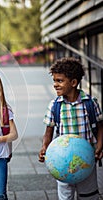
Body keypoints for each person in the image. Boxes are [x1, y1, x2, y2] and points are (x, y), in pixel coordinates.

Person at [38, 57, 103, 200]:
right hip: (62, 161)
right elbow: (48, 132)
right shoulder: (54, 105)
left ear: (73, 82)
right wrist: (44, 147)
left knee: (88, 195)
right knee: (65, 196)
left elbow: (100, 127)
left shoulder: (90, 103)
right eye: (54, 81)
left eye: (59, 81)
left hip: (86, 159)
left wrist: (99, 145)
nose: (55, 85)